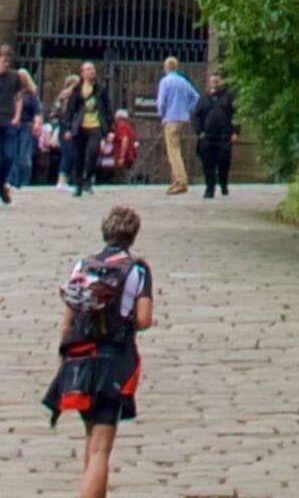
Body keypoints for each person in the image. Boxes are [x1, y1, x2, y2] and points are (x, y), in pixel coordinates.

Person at [42, 205, 156, 498]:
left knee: (91, 439)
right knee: (101, 449)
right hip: (113, 362)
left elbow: (67, 322)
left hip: (78, 360)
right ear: (133, 236)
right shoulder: (137, 269)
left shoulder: (82, 265)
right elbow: (143, 319)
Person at [0, 50, 34, 208]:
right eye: (4, 60)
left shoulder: (14, 77)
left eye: (8, 60)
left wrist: (17, 116)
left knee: (10, 156)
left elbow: (18, 97)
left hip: (9, 121)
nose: (7, 63)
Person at [63, 66, 115, 197]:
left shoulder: (100, 90)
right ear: (82, 73)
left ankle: (88, 179)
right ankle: (79, 184)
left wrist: (109, 129)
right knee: (78, 156)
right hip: (80, 126)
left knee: (93, 152)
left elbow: (107, 109)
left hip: (95, 126)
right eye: (88, 69)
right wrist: (68, 128)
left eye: (93, 69)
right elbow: (70, 110)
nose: (92, 71)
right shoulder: (77, 90)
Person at [153, 58, 200, 196]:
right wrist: (187, 109)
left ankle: (180, 181)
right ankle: (176, 181)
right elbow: (196, 96)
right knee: (177, 149)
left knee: (173, 151)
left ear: (165, 67)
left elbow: (161, 101)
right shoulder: (183, 81)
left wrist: (162, 114)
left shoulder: (165, 81)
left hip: (171, 118)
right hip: (182, 118)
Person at [194, 70, 240, 201]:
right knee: (208, 164)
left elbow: (236, 115)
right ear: (209, 83)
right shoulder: (203, 98)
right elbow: (197, 116)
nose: (215, 84)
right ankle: (210, 189)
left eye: (217, 81)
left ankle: (223, 183)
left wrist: (235, 132)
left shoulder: (229, 97)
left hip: (224, 136)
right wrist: (199, 132)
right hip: (208, 136)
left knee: (224, 162)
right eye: (213, 81)